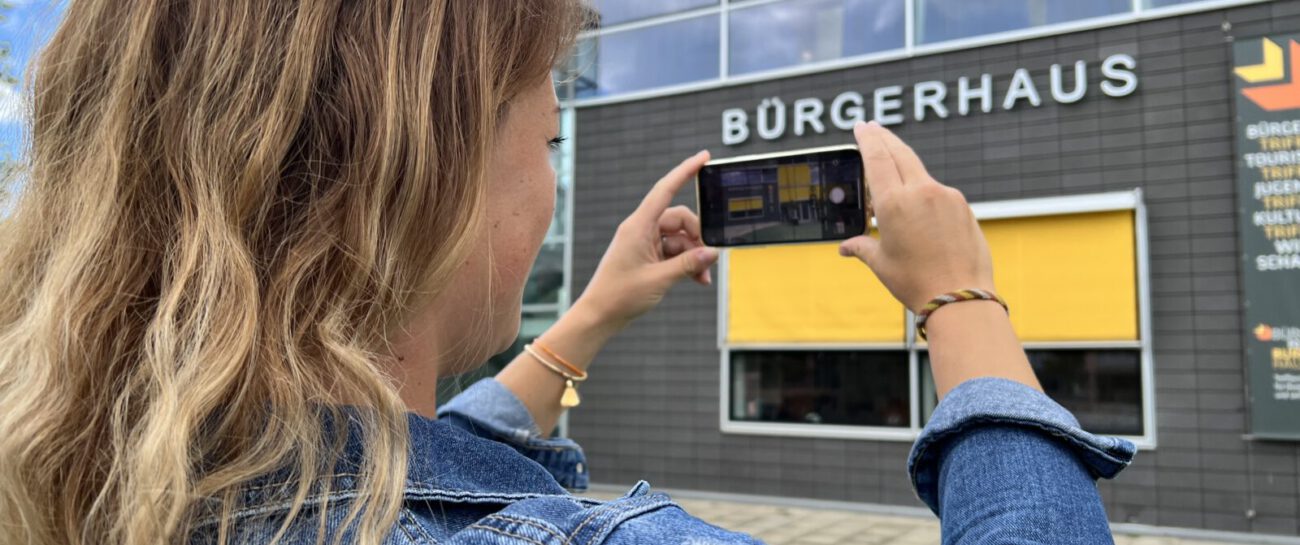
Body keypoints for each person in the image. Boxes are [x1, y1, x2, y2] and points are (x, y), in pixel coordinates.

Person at [0, 2, 1135, 544]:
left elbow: (384, 467)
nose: (550, 182)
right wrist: (963, 303)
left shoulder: (118, 474)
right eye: (545, 140)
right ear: (428, 173)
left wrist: (586, 318)